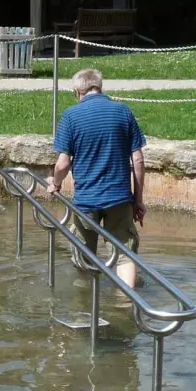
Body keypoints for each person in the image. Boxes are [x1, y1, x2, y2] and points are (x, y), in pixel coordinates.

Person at [45, 68, 147, 288]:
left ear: (77, 92)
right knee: (124, 253)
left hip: (85, 201)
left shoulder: (71, 116)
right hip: (119, 198)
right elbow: (137, 160)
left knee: (83, 253)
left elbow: (63, 163)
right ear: (99, 87)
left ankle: (86, 301)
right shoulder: (123, 112)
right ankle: (124, 304)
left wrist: (56, 183)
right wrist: (138, 200)